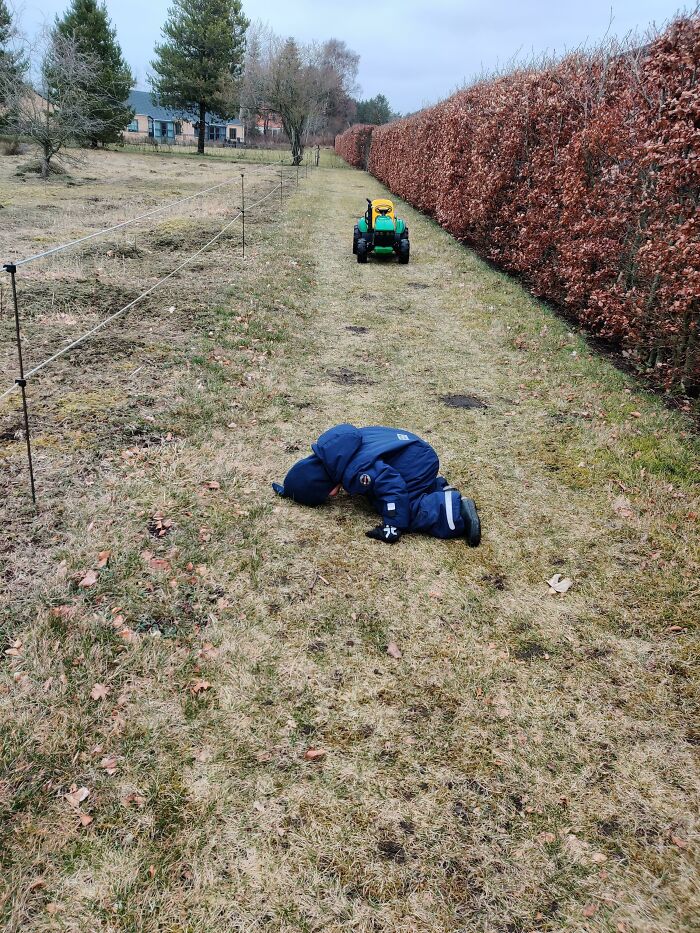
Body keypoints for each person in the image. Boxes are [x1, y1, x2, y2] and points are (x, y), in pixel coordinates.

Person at [272, 423, 481, 546]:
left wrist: (393, 524)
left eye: (327, 495)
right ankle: (437, 489)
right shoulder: (337, 450)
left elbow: (392, 486)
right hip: (410, 451)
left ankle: (454, 511)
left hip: (417, 462)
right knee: (380, 493)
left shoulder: (355, 471)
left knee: (400, 507)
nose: (333, 497)